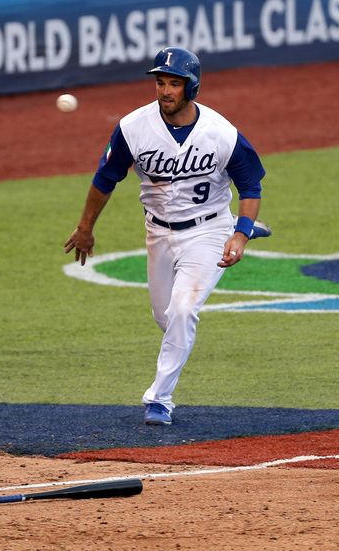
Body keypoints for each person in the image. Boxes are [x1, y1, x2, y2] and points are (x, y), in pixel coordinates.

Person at [64, 47, 271, 426]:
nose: (164, 91)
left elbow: (250, 185)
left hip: (209, 230)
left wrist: (239, 234)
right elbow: (105, 179)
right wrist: (85, 228)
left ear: (191, 87)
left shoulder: (220, 132)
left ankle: (159, 399)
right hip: (158, 232)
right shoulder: (133, 127)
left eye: (174, 83)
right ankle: (242, 229)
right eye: (160, 82)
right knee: (165, 317)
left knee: (182, 310)